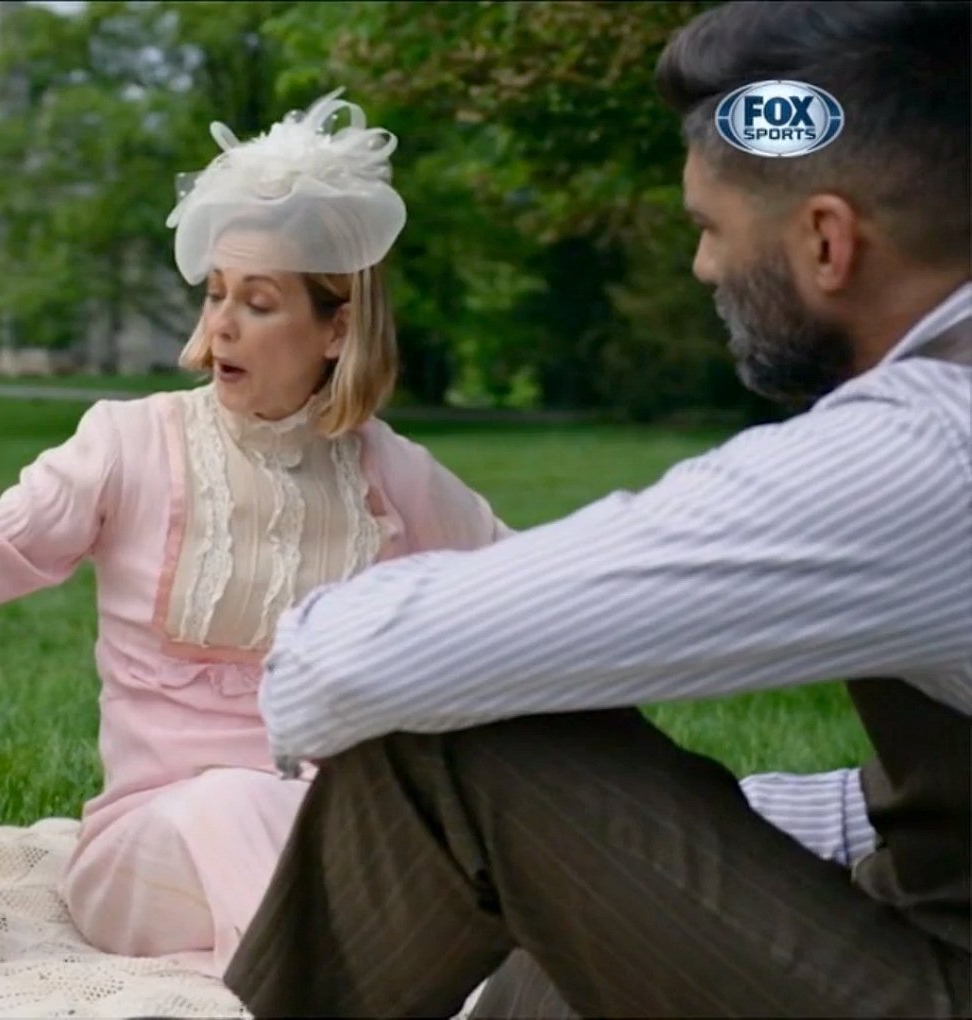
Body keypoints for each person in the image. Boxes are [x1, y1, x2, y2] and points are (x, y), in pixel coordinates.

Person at [223, 2, 971, 1016]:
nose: (702, 267)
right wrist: (659, 830)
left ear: (826, 242)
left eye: (708, 229)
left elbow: (361, 661)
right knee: (549, 884)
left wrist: (297, 657)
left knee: (451, 741)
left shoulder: (927, 444)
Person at [0, 91, 512, 977]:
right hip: (150, 847)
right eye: (215, 295)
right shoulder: (128, 443)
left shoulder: (389, 474)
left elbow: (522, 588)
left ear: (337, 328)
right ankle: (320, 987)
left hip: (339, 827)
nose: (220, 326)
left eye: (259, 302)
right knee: (235, 803)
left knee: (407, 819)